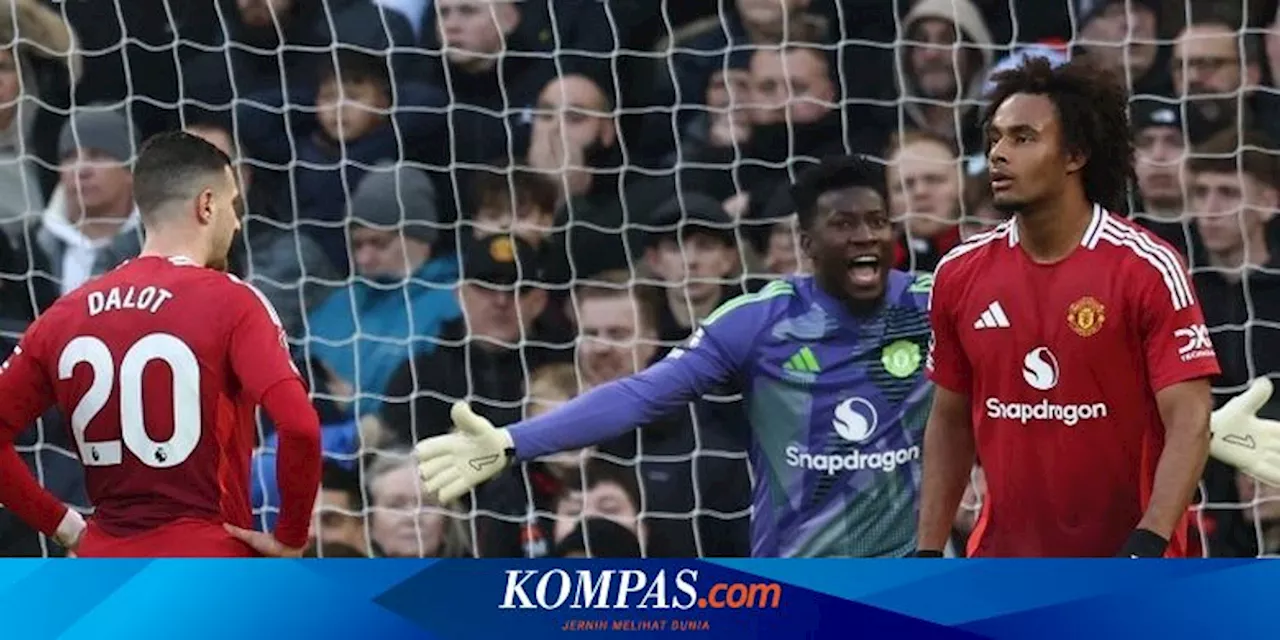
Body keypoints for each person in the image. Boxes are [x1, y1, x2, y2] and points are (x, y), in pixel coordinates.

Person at [417, 154, 937, 558]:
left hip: (908, 579)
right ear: (807, 242)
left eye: (876, 221)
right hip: (795, 582)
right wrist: (512, 442)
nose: (865, 235)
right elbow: (640, 395)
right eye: (844, 224)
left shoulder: (938, 302)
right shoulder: (760, 321)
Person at [917, 56, 1221, 558]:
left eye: (1022, 137)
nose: (997, 154)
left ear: (1075, 154)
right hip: (1004, 562)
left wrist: (1149, 540)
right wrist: (927, 549)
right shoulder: (959, 271)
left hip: (1128, 562)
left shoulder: (1146, 267)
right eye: (994, 138)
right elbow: (949, 420)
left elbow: (1189, 417)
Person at [0, 131, 321, 557]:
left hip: (103, 564)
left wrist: (64, 526)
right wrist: (291, 536)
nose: (237, 222)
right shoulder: (232, 301)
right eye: (233, 206)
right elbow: (299, 427)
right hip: (208, 562)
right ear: (207, 205)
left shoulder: (65, 313)